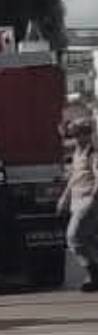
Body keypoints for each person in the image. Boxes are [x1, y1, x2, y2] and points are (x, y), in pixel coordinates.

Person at [58, 117, 98, 291]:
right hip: (77, 201)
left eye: (78, 134)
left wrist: (93, 200)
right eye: (73, 135)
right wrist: (64, 198)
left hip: (89, 200)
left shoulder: (93, 153)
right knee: (89, 239)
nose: (75, 138)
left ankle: (94, 274)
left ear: (87, 134)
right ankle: (94, 277)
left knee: (73, 237)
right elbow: (74, 178)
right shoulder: (77, 152)